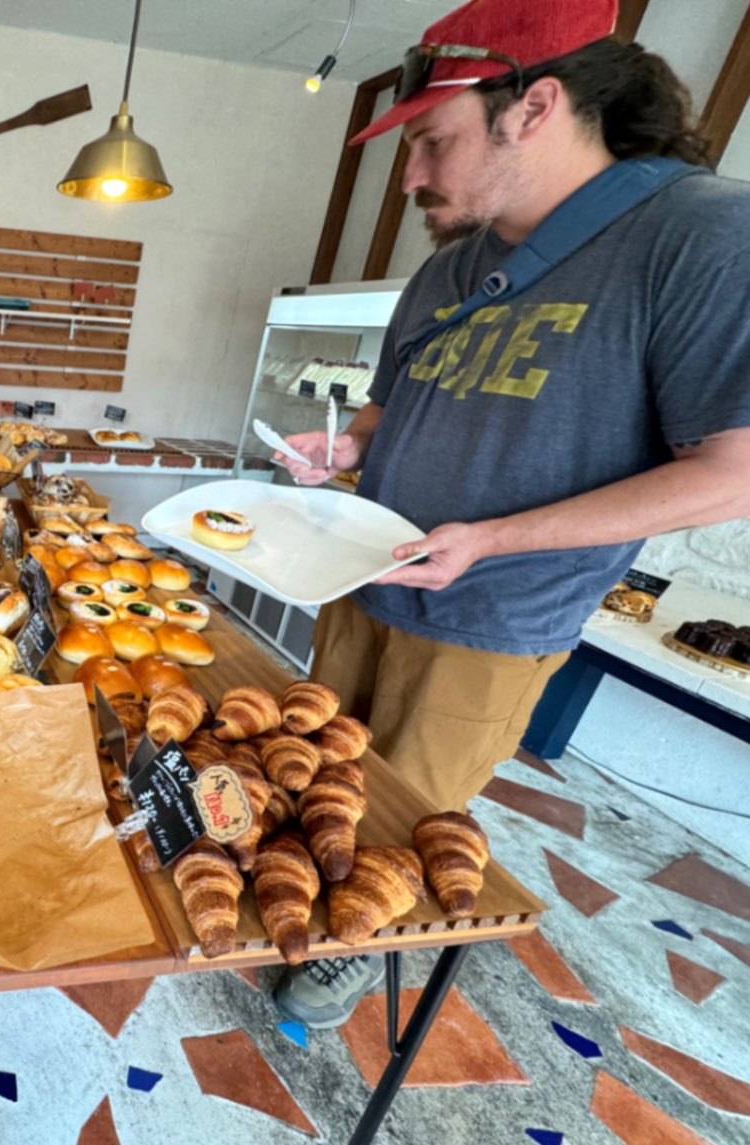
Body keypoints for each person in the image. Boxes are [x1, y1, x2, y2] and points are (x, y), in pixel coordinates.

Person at [272, 0, 750, 1030]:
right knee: (300, 781)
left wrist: (492, 539)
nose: (411, 178)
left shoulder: (704, 234)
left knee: (393, 832)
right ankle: (284, 911)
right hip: (363, 577)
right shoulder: (450, 265)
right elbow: (391, 406)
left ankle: (345, 951)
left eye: (432, 141)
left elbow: (732, 470)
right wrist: (348, 448)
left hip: (491, 620)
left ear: (534, 107)